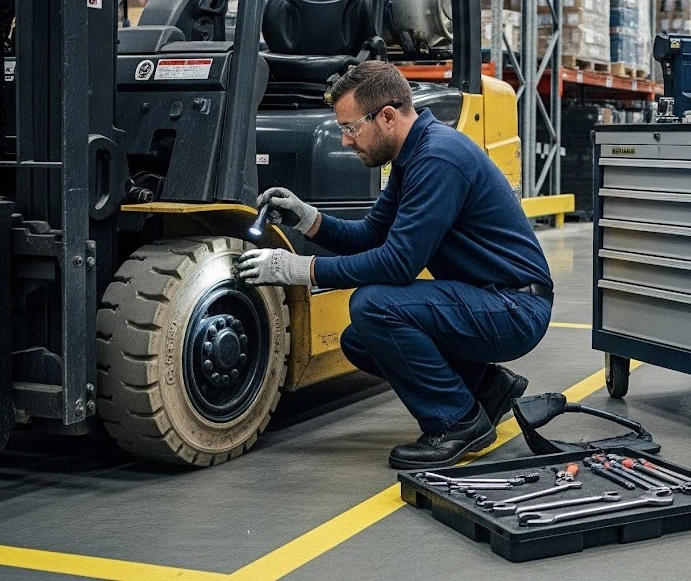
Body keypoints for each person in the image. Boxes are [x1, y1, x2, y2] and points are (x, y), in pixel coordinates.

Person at [234, 61, 553, 469]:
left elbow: (398, 263)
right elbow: (372, 235)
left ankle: (457, 422)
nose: (347, 142)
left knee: (374, 305)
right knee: (360, 341)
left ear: (387, 115)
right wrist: (307, 218)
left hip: (514, 308)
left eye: (350, 128)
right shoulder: (410, 157)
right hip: (488, 299)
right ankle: (487, 387)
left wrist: (298, 269)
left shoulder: (439, 158)